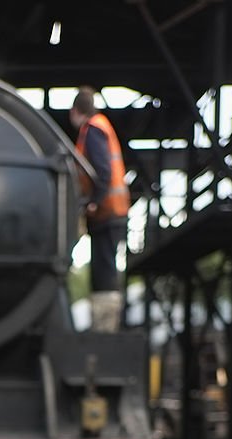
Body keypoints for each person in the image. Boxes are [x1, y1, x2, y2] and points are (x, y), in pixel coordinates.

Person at [70, 87, 130, 333]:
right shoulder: (99, 126)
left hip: (107, 212)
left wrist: (95, 200)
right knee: (102, 268)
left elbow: (102, 170)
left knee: (104, 271)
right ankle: (105, 323)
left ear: (75, 111)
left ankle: (106, 326)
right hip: (110, 212)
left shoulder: (93, 129)